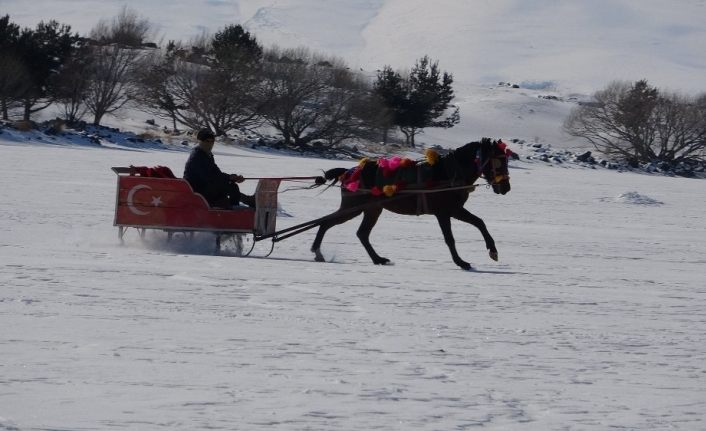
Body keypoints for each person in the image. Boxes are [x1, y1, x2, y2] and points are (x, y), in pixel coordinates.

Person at [183, 128, 255, 208]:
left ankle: (239, 205)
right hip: (197, 190)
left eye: (212, 142)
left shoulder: (206, 155)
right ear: (200, 142)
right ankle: (236, 210)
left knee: (231, 186)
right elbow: (209, 177)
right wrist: (229, 178)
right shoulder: (197, 157)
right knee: (230, 187)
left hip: (204, 187)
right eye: (207, 141)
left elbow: (216, 173)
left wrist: (232, 177)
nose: (210, 144)